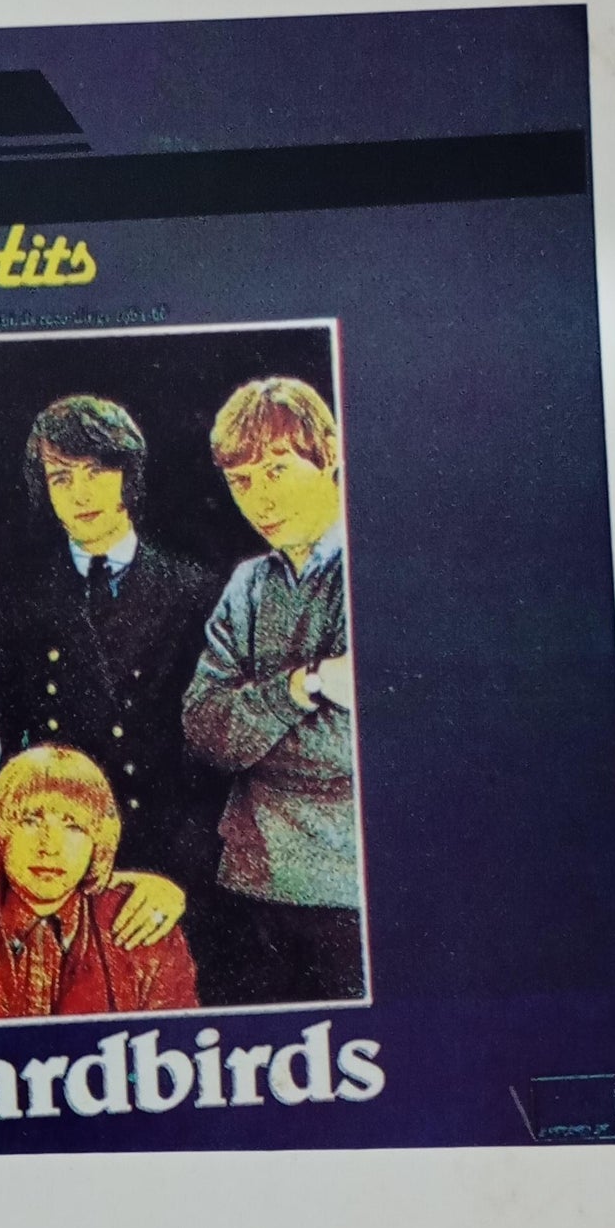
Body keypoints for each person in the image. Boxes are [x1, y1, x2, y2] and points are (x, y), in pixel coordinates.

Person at [0, 393, 220, 906]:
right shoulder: (20, 600)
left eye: (95, 471)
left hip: (159, 865)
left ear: (128, 474)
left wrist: (177, 877)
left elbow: (210, 761)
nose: (80, 493)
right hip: (53, 861)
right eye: (61, 478)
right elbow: (1, 745)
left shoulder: (194, 592)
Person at [182, 375, 366, 1004]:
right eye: (241, 481)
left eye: (278, 469)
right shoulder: (248, 584)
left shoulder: (374, 567)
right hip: (250, 885)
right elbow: (204, 731)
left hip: (351, 891)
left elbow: (348, 752)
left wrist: (252, 729)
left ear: (330, 454)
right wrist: (307, 684)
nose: (261, 498)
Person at [0, 747, 198, 1023]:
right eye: (30, 821)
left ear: (98, 842)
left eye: (73, 826)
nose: (50, 846)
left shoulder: (143, 925)